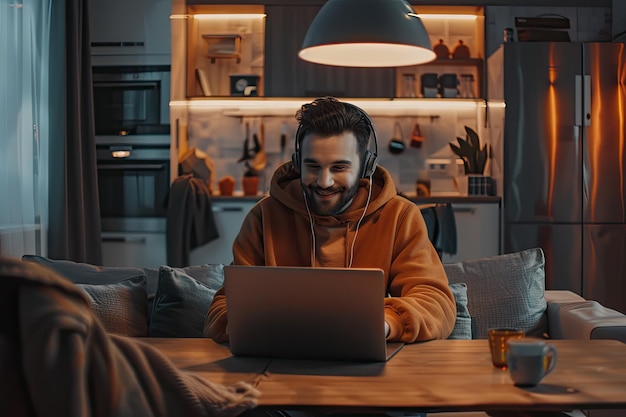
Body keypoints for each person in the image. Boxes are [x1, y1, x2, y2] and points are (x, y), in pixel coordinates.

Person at [204, 97, 456, 343]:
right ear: (297, 163)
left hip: (368, 369)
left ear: (365, 167)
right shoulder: (264, 216)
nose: (324, 182)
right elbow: (221, 309)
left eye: (339, 168)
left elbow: (436, 302)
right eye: (312, 166)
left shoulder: (400, 216)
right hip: (278, 366)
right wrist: (265, 326)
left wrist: (384, 324)